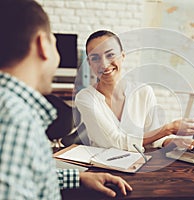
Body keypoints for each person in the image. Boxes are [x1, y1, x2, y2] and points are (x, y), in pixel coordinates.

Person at [0, 0, 132, 199]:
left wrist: (76, 178)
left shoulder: (11, 108)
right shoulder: (15, 120)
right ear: (43, 44)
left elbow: (25, 174)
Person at [75, 30, 194, 153]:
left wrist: (174, 141)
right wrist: (168, 129)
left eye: (110, 55)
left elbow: (154, 139)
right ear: (89, 62)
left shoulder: (144, 92)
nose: (104, 64)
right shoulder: (85, 98)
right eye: (95, 58)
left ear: (122, 56)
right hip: (101, 172)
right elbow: (116, 143)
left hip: (137, 167)